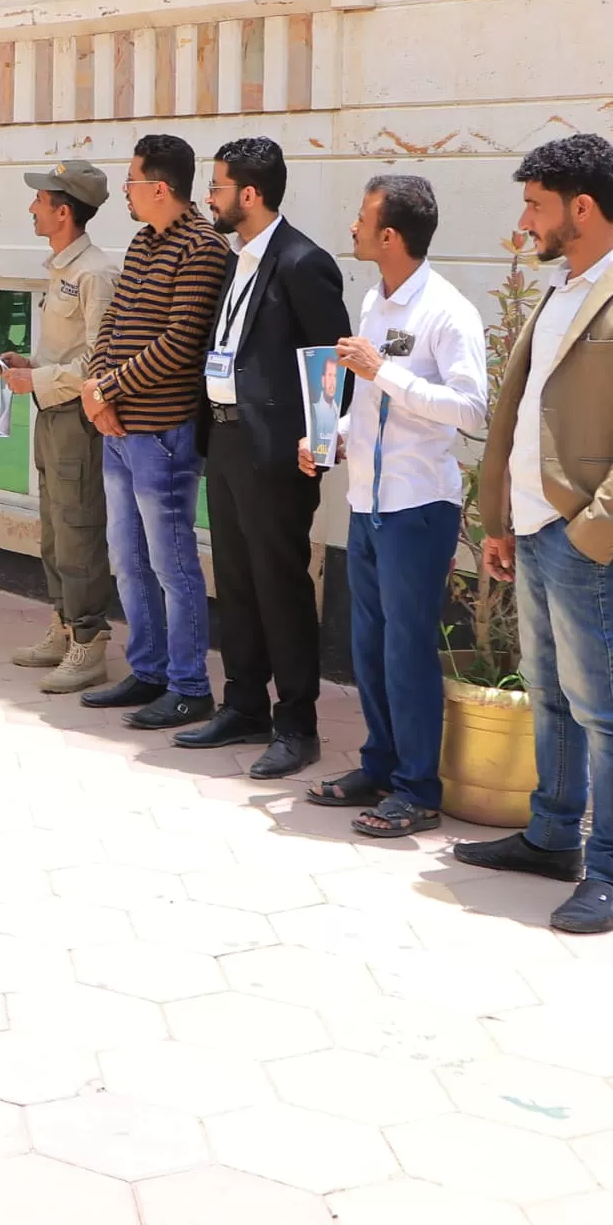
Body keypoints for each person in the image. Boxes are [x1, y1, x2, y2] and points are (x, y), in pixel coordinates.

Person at [459, 134, 613, 935]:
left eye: (535, 204)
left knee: (605, 713)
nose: (525, 219)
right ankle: (551, 838)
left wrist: (593, 532)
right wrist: (504, 523)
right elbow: (528, 413)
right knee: (552, 700)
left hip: (585, 541)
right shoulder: (558, 291)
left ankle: (612, 873)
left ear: (582, 208)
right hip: (531, 533)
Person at [293, 175, 487, 839]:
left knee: (407, 650)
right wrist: (334, 438)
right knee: (369, 646)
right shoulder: (375, 299)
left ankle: (417, 789)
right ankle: (379, 767)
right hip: (367, 504)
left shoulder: (448, 312)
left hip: (417, 506)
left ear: (391, 236)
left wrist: (386, 372)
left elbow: (469, 409)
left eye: (361, 216)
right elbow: (373, 405)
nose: (352, 227)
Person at [172, 137, 351, 779]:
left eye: (217, 188)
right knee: (238, 581)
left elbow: (334, 362)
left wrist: (321, 443)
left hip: (277, 453)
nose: (209, 198)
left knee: (280, 586)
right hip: (223, 440)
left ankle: (297, 724)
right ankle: (243, 704)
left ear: (249, 194)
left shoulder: (303, 263)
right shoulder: (236, 259)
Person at [79, 135, 232, 730]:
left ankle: (189, 685)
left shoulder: (203, 248)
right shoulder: (144, 242)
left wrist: (107, 390)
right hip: (118, 429)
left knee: (172, 562)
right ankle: (148, 671)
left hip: (163, 432)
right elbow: (115, 321)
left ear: (161, 187)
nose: (125, 191)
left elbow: (180, 344)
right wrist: (97, 390)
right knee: (126, 557)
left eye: (132, 180)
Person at [1, 161, 121, 694]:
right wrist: (28, 364)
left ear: (63, 210)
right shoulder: (61, 267)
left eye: (40, 201)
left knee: (78, 529)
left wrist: (40, 378)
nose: (32, 208)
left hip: (76, 415)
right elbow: (65, 351)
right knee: (52, 527)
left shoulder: (94, 272)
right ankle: (64, 624)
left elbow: (100, 362)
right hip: (50, 411)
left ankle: (89, 642)